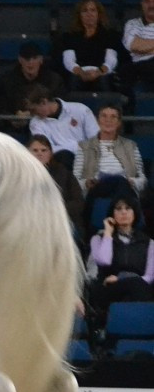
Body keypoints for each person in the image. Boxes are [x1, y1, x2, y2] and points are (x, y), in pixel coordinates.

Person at [73, 103, 146, 225]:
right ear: (98, 120)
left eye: (113, 117)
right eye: (104, 116)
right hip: (97, 187)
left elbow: (142, 179)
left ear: (119, 122)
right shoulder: (84, 146)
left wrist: (132, 181)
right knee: (117, 183)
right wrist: (86, 183)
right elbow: (75, 179)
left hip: (125, 186)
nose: (108, 120)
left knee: (119, 181)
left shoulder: (130, 146)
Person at [87, 196, 154, 325]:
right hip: (108, 289)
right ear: (112, 214)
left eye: (128, 208)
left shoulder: (149, 243)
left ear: (135, 213)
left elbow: (150, 277)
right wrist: (107, 232)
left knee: (136, 288)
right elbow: (104, 261)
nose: (123, 212)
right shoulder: (98, 239)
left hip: (139, 288)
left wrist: (122, 278)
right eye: (118, 209)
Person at [27, 134, 85, 242]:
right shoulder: (20, 175)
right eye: (35, 150)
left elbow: (78, 202)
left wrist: (56, 209)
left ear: (50, 153)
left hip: (61, 221)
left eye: (44, 150)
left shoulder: (64, 173)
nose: (39, 154)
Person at [58, 0, 121, 92]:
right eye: (85, 11)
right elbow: (68, 61)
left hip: (101, 73)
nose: (89, 14)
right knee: (73, 80)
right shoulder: (69, 36)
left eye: (93, 10)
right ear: (79, 15)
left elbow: (111, 60)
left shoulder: (109, 35)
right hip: (78, 73)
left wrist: (99, 72)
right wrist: (81, 73)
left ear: (98, 14)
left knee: (104, 81)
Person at [27, 86, 99, 168]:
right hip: (59, 161)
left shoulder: (80, 109)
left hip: (87, 157)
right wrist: (76, 146)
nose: (33, 114)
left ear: (44, 102)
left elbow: (95, 139)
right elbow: (46, 149)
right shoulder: (35, 123)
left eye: (34, 110)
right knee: (64, 156)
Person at [0, 41, 64, 116]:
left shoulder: (54, 80)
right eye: (27, 59)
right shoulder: (7, 81)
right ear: (20, 60)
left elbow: (59, 107)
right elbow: (1, 108)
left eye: (34, 58)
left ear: (41, 60)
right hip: (15, 125)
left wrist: (33, 114)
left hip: (47, 124)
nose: (31, 62)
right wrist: (13, 118)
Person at [122, 0, 154, 89]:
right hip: (142, 68)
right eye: (147, 1)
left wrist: (146, 45)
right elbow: (134, 45)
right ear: (141, 4)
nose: (151, 5)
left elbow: (141, 46)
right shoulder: (132, 24)